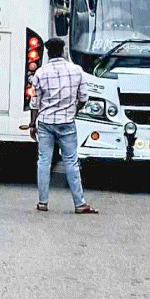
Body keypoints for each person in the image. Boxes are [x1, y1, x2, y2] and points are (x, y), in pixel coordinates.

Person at [28, 38, 98, 214]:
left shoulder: (40, 73)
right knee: (71, 162)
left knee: (44, 161)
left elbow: (34, 103)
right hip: (66, 122)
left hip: (45, 121)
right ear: (63, 51)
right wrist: (74, 110)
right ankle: (79, 203)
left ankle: (42, 202)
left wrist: (32, 124)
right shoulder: (76, 71)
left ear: (48, 53)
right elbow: (83, 97)